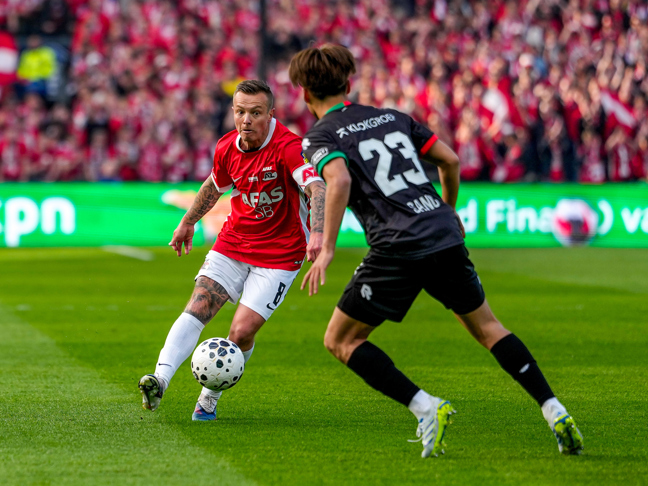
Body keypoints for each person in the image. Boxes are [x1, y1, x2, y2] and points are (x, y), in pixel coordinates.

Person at [289, 45, 583, 458]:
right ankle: (554, 410)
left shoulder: (320, 136)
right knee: (488, 328)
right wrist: (448, 209)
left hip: (397, 244)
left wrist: (327, 249)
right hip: (441, 231)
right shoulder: (392, 117)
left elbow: (338, 181)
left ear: (304, 93)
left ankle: (426, 407)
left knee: (341, 340)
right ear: (348, 84)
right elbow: (450, 160)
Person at [139, 80, 326, 420]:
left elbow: (317, 187)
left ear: (270, 114)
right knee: (199, 305)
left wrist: (319, 232)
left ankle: (208, 399)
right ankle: (159, 380)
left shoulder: (289, 147)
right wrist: (188, 221)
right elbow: (214, 186)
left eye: (256, 113)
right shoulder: (227, 146)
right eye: (240, 112)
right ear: (233, 112)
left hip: (280, 254)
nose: (246, 120)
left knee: (241, 332)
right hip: (234, 243)